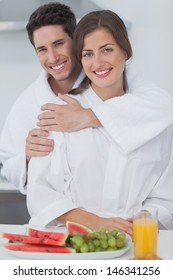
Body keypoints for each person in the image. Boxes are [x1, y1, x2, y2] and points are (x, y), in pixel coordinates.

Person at [0, 2, 173, 194]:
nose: (53, 57)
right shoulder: (28, 103)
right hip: (63, 212)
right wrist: (26, 156)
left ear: (76, 40)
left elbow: (163, 106)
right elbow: (8, 164)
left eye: (59, 44)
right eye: (42, 49)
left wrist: (88, 116)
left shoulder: (110, 76)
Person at [27, 10, 173, 235]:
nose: (97, 62)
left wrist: (136, 224)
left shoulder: (154, 119)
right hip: (76, 243)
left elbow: (166, 194)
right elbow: (40, 193)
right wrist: (93, 221)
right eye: (87, 54)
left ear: (125, 51)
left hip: (136, 242)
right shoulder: (59, 115)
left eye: (107, 50)